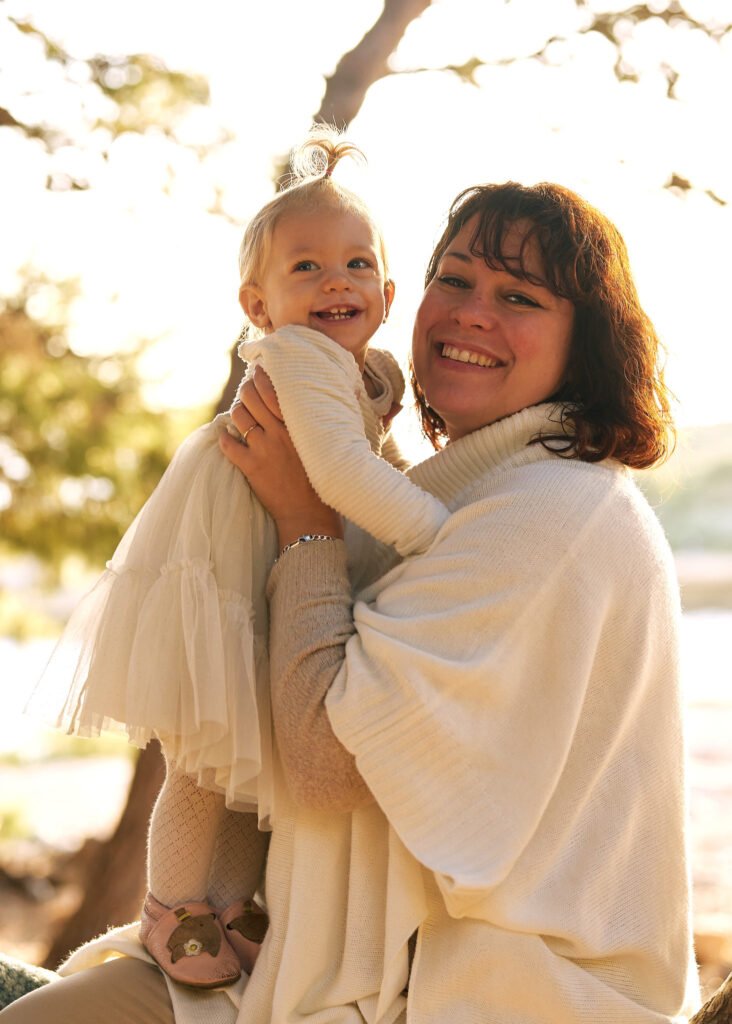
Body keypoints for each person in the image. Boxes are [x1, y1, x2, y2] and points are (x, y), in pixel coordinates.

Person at [3, 180, 699, 1023]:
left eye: (518, 296)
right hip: (319, 961)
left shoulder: (549, 515)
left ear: (583, 344)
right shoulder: (487, 489)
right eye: (456, 278)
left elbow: (329, 764)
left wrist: (304, 519)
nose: (472, 313)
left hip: (481, 994)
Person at [25, 131, 448, 989]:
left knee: (259, 746)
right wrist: (441, 531)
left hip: (280, 565)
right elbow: (337, 471)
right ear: (258, 307)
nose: (337, 281)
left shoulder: (372, 372)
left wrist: (408, 482)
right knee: (206, 755)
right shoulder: (297, 360)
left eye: (357, 264)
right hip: (232, 565)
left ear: (389, 290)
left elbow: (376, 460)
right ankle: (176, 907)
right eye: (306, 269)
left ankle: (235, 905)